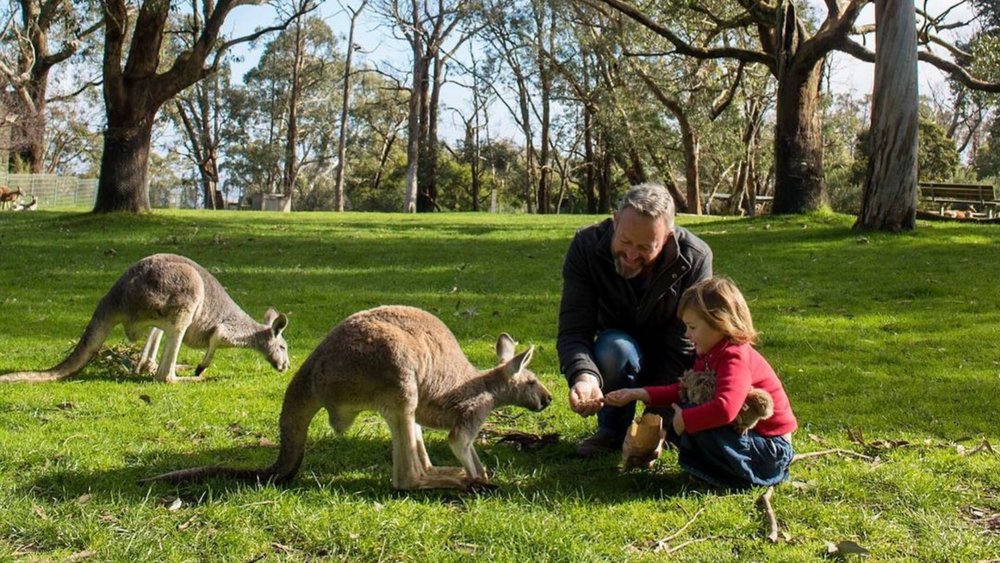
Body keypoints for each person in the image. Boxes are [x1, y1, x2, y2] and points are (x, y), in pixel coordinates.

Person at [557, 182, 713, 457]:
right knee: (616, 349)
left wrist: (655, 422)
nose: (630, 255)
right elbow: (574, 329)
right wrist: (584, 376)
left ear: (667, 238)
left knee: (695, 432)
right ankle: (612, 432)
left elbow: (684, 346)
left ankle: (663, 428)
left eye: (644, 247)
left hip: (673, 361)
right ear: (615, 221)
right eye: (625, 241)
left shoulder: (695, 258)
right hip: (617, 355)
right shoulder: (586, 247)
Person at [604, 277, 797, 488]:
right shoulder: (711, 352)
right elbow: (683, 390)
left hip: (770, 450)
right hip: (752, 440)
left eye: (693, 327)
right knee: (693, 411)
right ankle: (713, 472)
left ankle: (736, 477)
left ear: (720, 324)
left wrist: (686, 419)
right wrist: (638, 393)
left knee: (697, 418)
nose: (687, 334)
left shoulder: (735, 357)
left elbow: (726, 410)